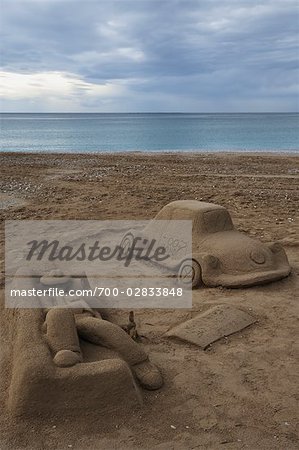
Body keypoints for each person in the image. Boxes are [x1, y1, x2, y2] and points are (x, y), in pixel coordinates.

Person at [41, 270, 163, 391]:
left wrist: (85, 295)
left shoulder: (77, 290)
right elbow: (47, 313)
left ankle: (140, 362)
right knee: (58, 315)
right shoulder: (46, 296)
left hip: (82, 318)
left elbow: (99, 307)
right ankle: (68, 352)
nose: (59, 287)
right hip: (61, 321)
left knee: (106, 329)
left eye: (62, 283)